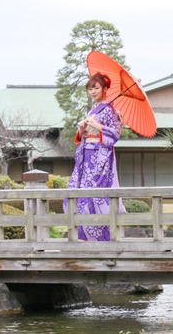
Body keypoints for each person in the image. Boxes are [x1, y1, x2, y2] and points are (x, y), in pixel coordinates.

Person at [65, 72, 122, 241]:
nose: (93, 92)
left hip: (100, 158)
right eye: (90, 89)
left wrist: (98, 126)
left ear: (105, 88)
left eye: (96, 88)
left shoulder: (111, 110)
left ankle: (101, 235)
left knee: (96, 192)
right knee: (77, 190)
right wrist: (81, 129)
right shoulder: (94, 109)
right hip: (86, 155)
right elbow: (82, 136)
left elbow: (116, 134)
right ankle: (83, 233)